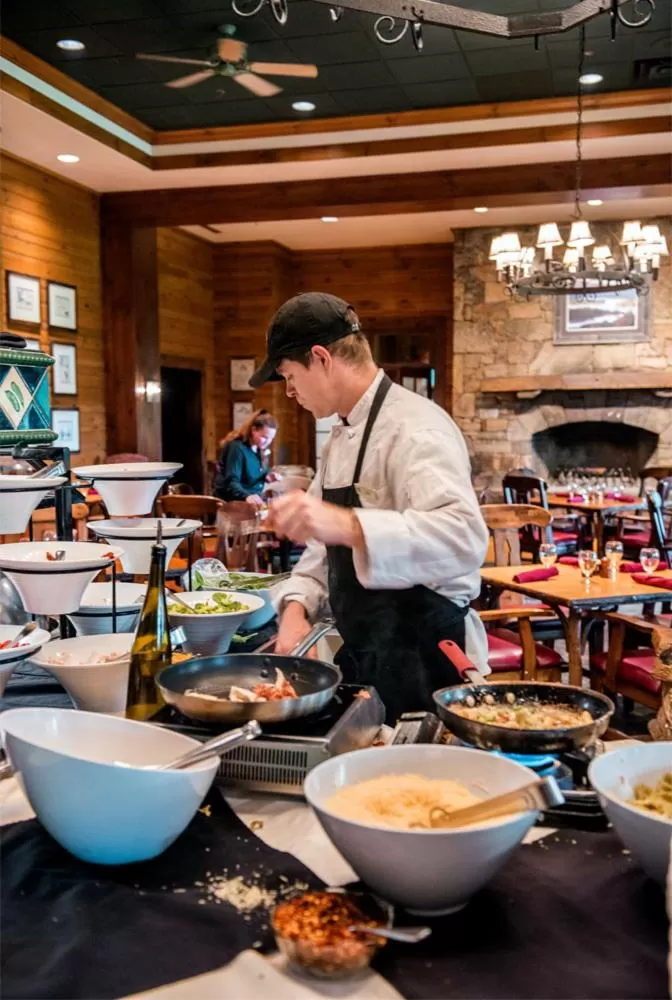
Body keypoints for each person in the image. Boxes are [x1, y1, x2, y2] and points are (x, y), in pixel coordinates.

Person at [249, 292, 489, 723]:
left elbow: (464, 539)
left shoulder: (416, 427)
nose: (289, 392)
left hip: (427, 664)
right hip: (367, 658)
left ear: (321, 358)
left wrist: (347, 524)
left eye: (289, 376)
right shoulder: (342, 433)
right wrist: (296, 607)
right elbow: (324, 550)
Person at [214, 409, 277, 507]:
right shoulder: (237, 448)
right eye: (264, 437)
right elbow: (231, 482)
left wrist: (267, 475)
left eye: (271, 438)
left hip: (250, 503)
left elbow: (255, 472)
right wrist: (247, 496)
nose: (268, 442)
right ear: (253, 430)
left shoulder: (258, 449)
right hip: (233, 504)